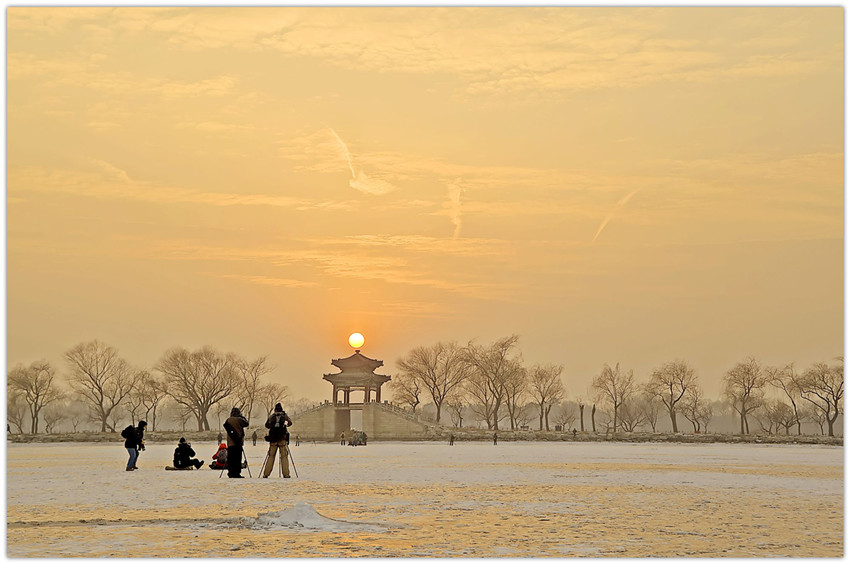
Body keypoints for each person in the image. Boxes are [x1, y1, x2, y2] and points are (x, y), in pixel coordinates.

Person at [262, 403, 293, 479]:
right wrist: (284, 425)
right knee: (284, 457)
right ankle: (286, 474)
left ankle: (266, 473)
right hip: (282, 439)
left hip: (273, 439)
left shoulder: (272, 417)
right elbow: (289, 423)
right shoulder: (284, 416)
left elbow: (267, 425)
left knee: (271, 456)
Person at [223, 407, 249, 478]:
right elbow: (246, 423)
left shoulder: (228, 420)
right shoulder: (239, 419)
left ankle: (230, 472)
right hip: (238, 442)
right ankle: (237, 473)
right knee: (237, 459)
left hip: (230, 443)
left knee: (231, 458)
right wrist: (241, 416)